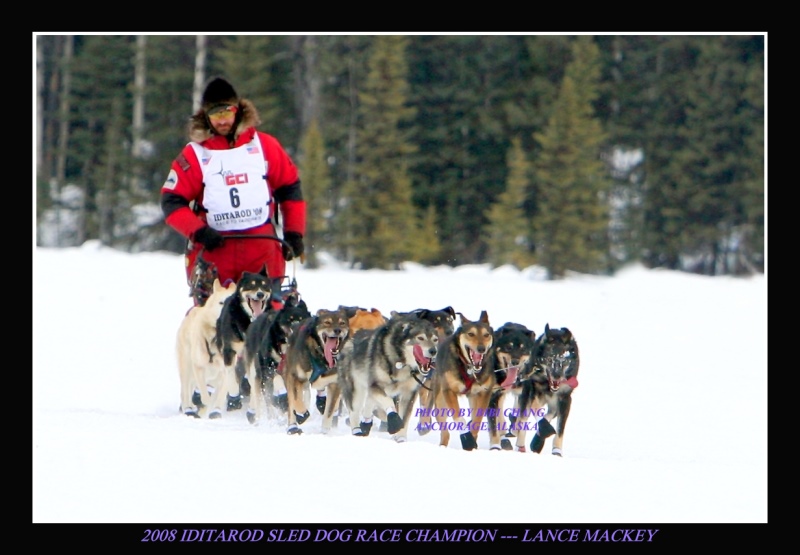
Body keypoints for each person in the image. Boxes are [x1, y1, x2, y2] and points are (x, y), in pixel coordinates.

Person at [160, 76, 306, 301]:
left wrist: (294, 233)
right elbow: (172, 201)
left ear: (238, 111)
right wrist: (199, 232)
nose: (222, 121)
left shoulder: (264, 146)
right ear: (205, 117)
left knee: (270, 317)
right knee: (211, 319)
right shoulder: (195, 154)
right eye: (215, 115)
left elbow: (290, 188)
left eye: (227, 113)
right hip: (215, 252)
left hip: (262, 250)